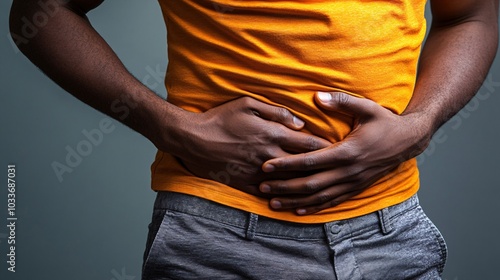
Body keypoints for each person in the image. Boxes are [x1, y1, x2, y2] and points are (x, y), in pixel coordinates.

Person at [9, 0, 498, 279]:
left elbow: (471, 15)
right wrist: (170, 126)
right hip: (218, 235)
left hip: (390, 232)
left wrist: (420, 124)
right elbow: (42, 11)